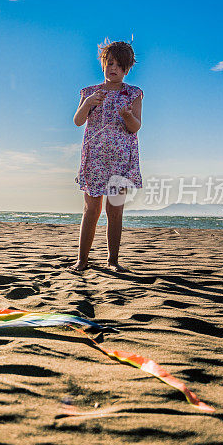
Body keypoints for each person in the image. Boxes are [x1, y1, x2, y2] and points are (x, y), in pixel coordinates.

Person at [69, 40, 143, 272]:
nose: (114, 68)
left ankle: (112, 260)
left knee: (115, 210)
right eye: (110, 63)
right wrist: (88, 104)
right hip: (95, 159)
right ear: (103, 63)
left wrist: (127, 115)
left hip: (121, 161)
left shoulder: (132, 94)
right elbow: (78, 121)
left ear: (126, 69)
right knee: (91, 209)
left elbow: (135, 127)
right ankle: (82, 260)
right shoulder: (90, 92)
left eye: (119, 65)